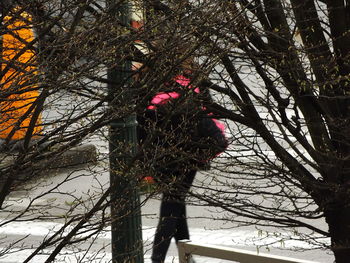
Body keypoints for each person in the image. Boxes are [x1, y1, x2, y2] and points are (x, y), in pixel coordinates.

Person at [137, 72, 227, 263]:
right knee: (173, 203)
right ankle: (158, 258)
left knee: (176, 202)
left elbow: (139, 119)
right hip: (190, 152)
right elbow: (210, 112)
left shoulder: (149, 80)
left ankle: (185, 254)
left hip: (159, 152)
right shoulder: (194, 80)